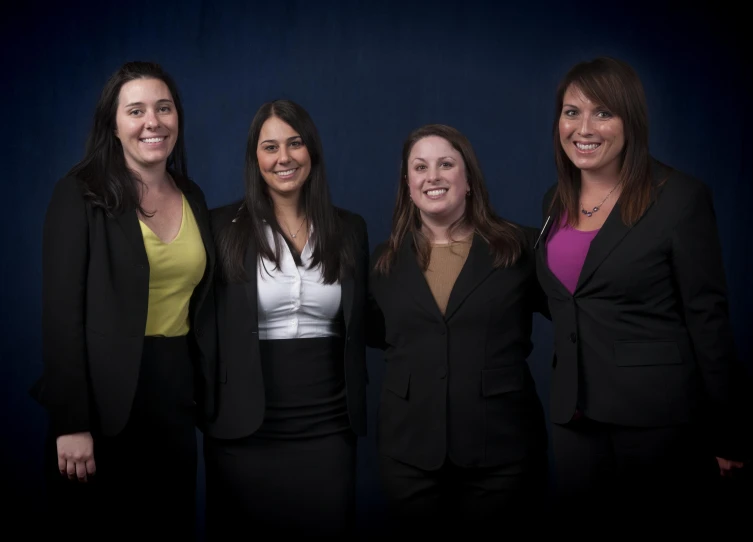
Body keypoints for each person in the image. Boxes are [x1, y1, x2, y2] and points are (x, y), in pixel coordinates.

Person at [536, 56, 750, 525]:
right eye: (572, 112)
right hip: (574, 417)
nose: (584, 127)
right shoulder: (556, 201)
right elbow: (569, 299)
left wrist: (729, 432)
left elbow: (708, 319)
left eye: (603, 112)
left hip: (657, 419)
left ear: (630, 120)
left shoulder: (679, 197)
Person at [31, 61, 216, 539]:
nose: (153, 122)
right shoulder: (80, 193)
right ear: (113, 125)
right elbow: (60, 316)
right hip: (101, 405)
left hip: (174, 400)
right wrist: (70, 423)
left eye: (164, 108)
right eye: (135, 110)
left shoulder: (192, 195)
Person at [367, 124, 549, 536]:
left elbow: (575, 317)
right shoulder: (385, 262)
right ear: (408, 185)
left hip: (502, 451)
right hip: (410, 453)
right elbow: (380, 333)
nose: (433, 176)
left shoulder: (520, 247)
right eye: (420, 167)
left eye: (446, 164)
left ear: (468, 181)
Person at [204, 99, 369, 538]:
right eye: (270, 146)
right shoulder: (220, 226)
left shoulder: (349, 228)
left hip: (329, 426)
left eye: (295, 143)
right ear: (255, 158)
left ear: (311, 150)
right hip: (243, 429)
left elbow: (370, 320)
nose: (284, 158)